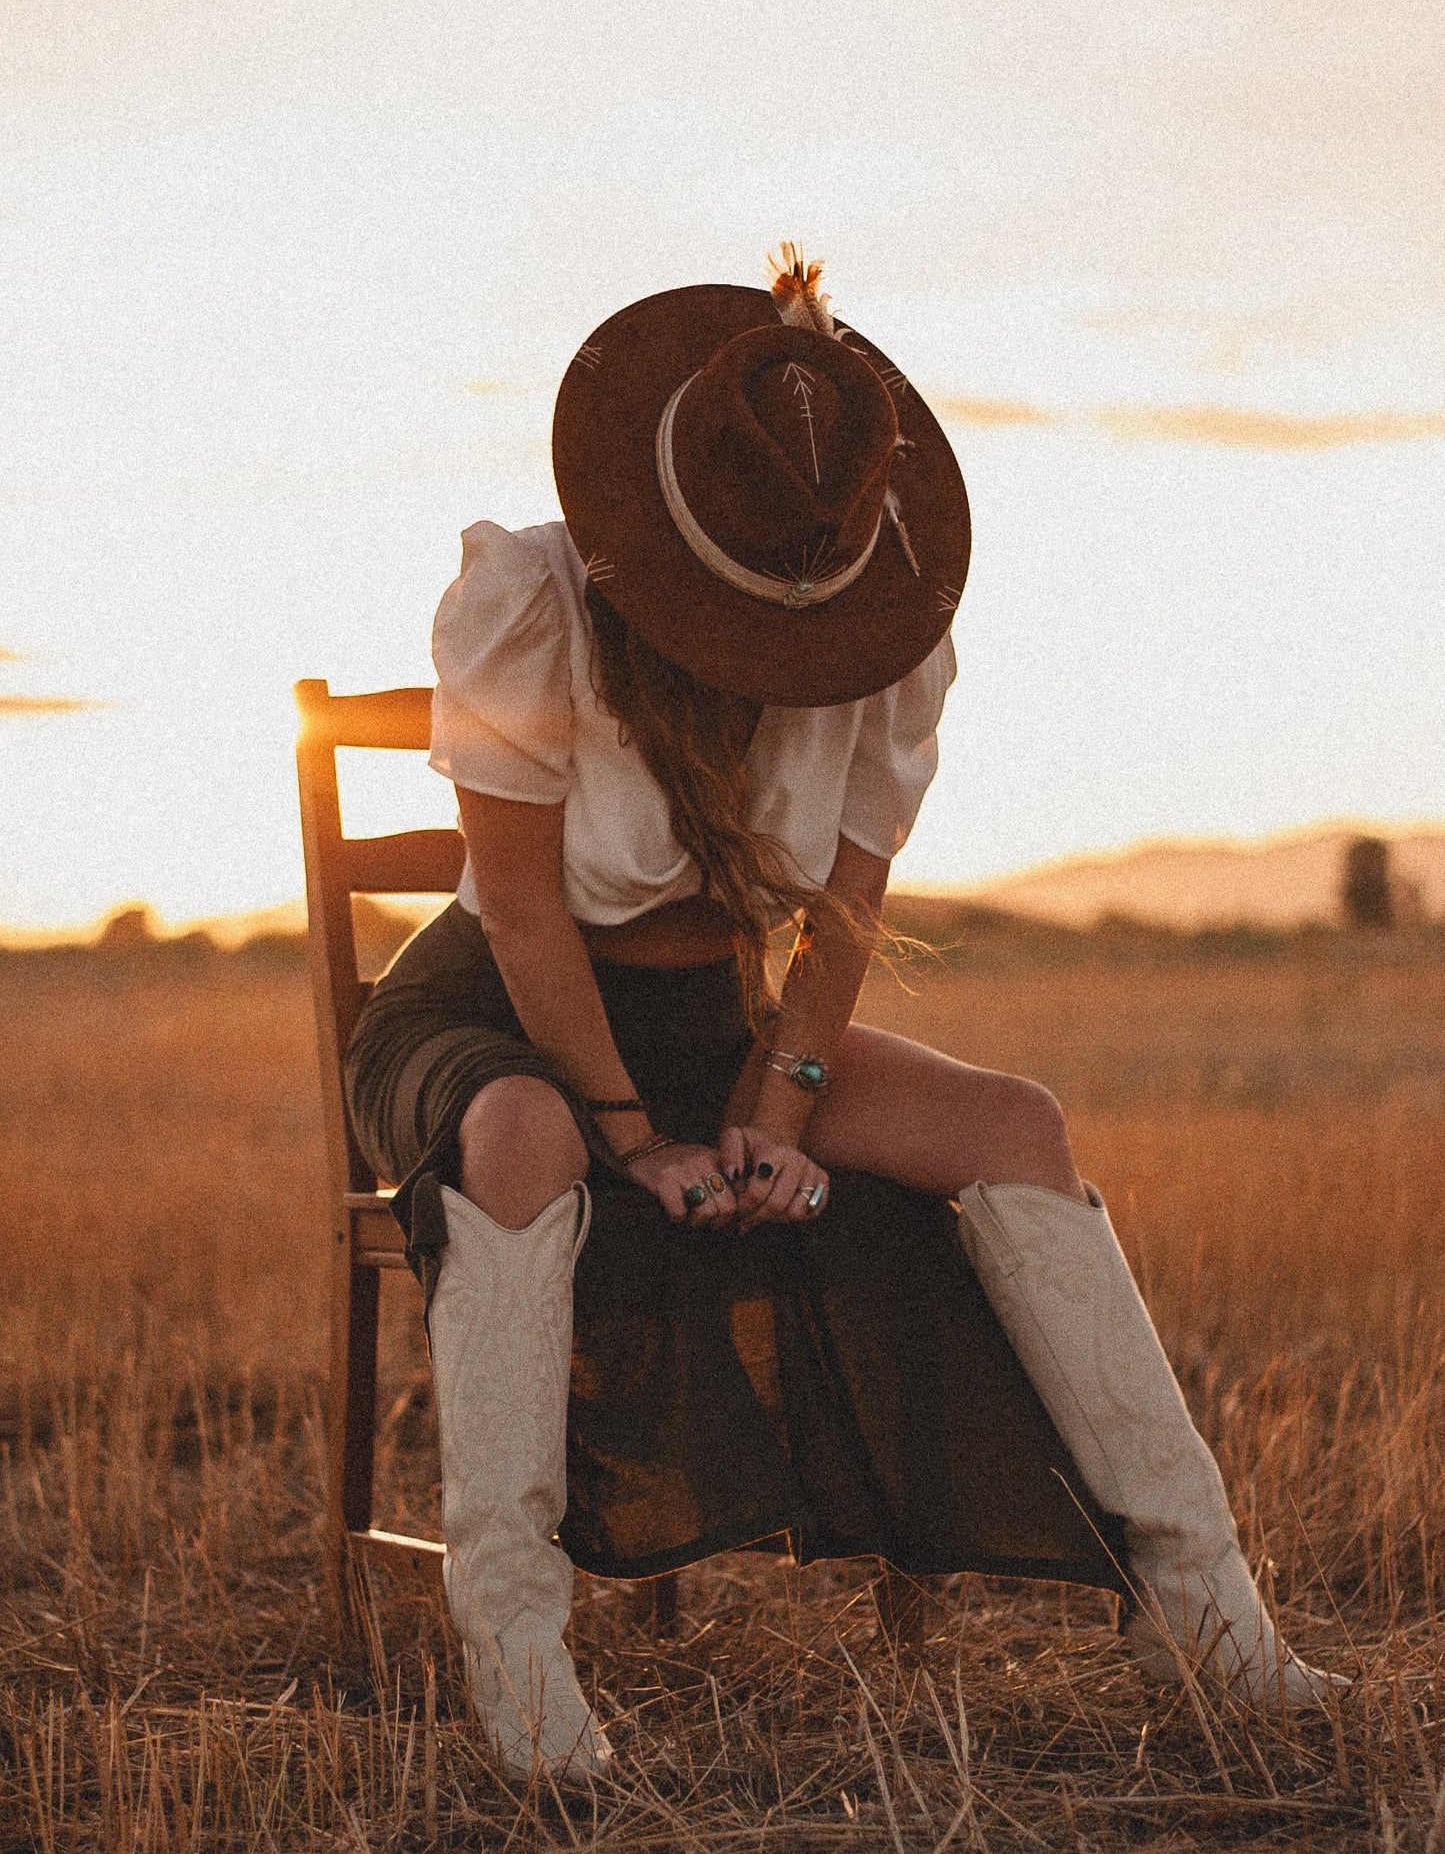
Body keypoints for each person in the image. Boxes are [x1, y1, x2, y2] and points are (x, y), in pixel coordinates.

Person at [347, 248, 1342, 1785]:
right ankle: (517, 1650)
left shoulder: (880, 626)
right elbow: (528, 913)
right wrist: (632, 1137)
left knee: (1015, 1125)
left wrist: (775, 1112)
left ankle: (1204, 1610)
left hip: (716, 1019)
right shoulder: (528, 599)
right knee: (525, 1128)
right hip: (497, 1018)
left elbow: (847, 909)